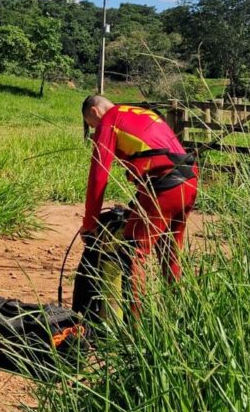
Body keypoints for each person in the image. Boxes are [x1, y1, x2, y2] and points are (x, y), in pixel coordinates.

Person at [80, 95, 198, 313]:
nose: (95, 129)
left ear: (95, 113)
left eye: (92, 125)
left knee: (133, 254)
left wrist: (90, 222)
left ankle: (137, 330)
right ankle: (178, 314)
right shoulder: (141, 112)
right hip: (189, 179)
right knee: (170, 251)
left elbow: (99, 175)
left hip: (163, 186)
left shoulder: (108, 121)